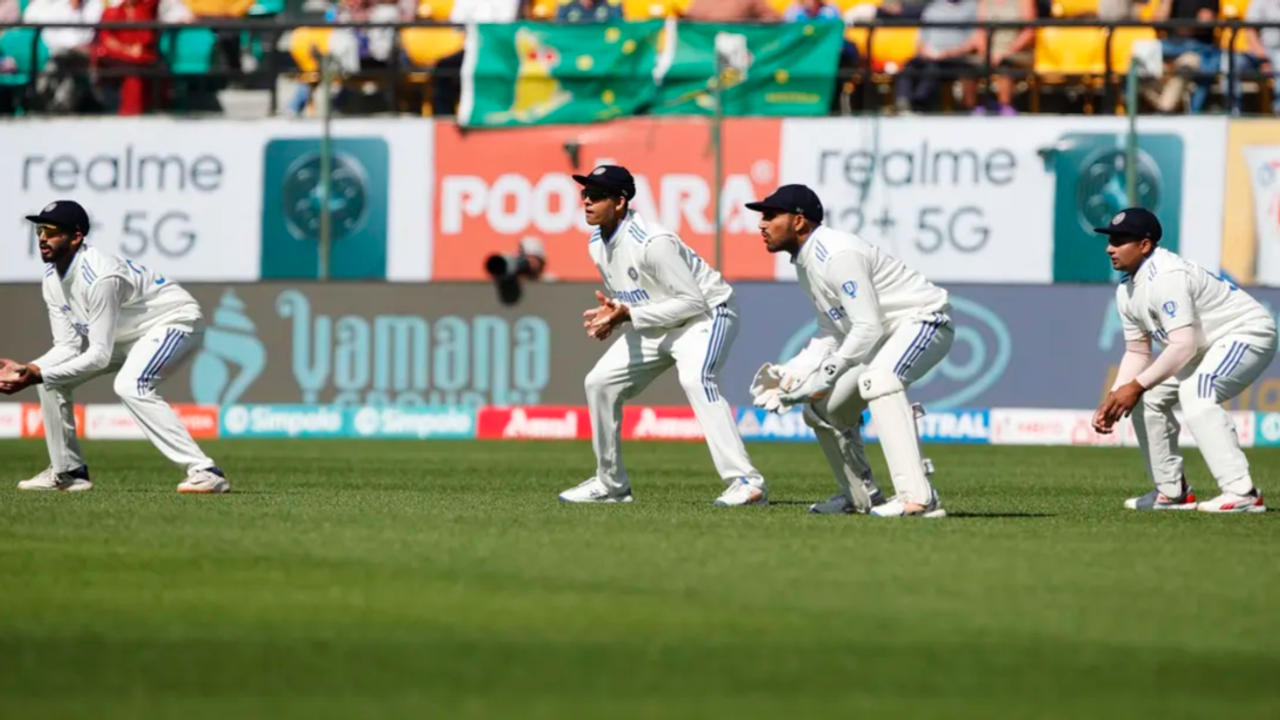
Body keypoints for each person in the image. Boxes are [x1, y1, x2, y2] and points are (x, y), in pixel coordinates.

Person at [559, 165, 768, 506]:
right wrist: (616, 314)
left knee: (696, 380)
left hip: (706, 315)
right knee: (599, 382)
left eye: (596, 196)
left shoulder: (653, 243)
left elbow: (691, 300)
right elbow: (638, 295)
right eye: (585, 194)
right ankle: (610, 485)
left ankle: (747, 482)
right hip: (657, 323)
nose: (587, 201)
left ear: (621, 202)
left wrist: (629, 314)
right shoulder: (597, 242)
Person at [745, 185, 952, 517]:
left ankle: (919, 498)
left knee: (879, 379)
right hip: (881, 336)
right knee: (822, 410)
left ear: (799, 222)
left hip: (923, 321)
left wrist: (825, 375)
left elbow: (867, 326)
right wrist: (793, 372)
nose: (762, 224)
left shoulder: (836, 254)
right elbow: (834, 331)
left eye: (770, 216)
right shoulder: (805, 262)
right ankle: (861, 497)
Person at [0, 201, 229, 494]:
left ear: (76, 236)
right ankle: (68, 472)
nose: (43, 237)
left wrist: (38, 373)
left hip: (175, 320)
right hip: (126, 336)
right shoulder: (51, 280)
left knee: (131, 385)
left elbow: (97, 356)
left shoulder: (100, 277)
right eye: (40, 229)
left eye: (53, 231)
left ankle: (205, 471)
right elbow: (67, 346)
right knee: (50, 380)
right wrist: (30, 370)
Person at [1093, 208, 1274, 513]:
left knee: (1197, 392)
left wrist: (1132, 386)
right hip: (1204, 346)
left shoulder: (1167, 276)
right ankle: (1171, 491)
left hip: (1246, 332)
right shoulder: (1127, 290)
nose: (1110, 247)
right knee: (1146, 398)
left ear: (1145, 245)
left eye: (1120, 240)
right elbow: (1138, 351)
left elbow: (1183, 346)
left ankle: (1242, 492)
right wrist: (1116, 395)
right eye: (1110, 239)